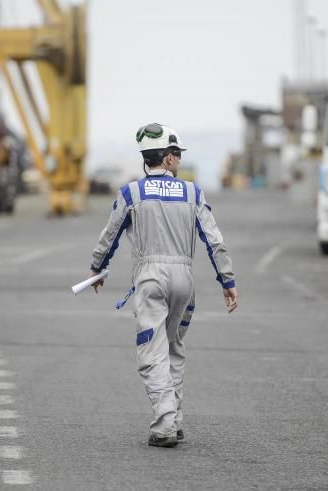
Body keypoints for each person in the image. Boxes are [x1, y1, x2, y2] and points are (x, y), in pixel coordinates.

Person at [87, 123, 238, 448]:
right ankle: (176, 420)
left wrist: (97, 268)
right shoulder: (193, 193)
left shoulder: (131, 193)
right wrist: (228, 280)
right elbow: (215, 242)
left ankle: (165, 424)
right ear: (167, 158)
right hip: (185, 281)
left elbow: (109, 236)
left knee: (151, 352)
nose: (179, 160)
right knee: (173, 349)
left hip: (150, 280)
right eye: (177, 155)